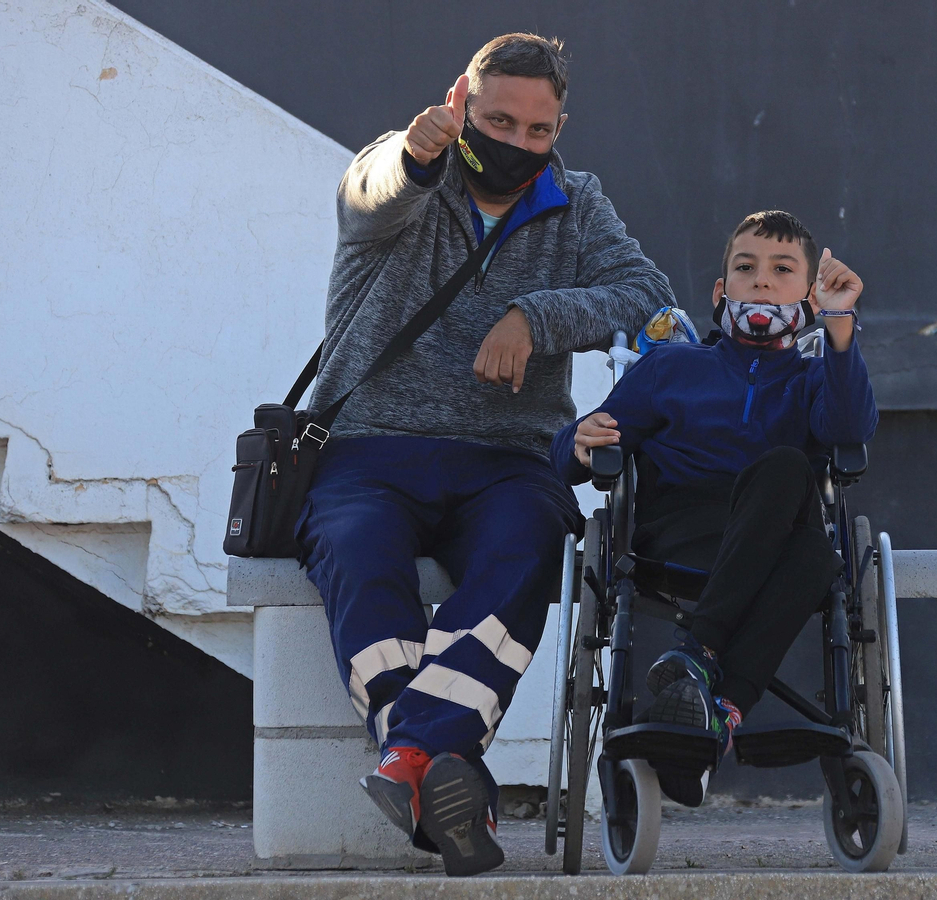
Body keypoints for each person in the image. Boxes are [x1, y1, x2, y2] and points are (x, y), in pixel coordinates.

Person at [299, 33, 672, 876]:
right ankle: (445, 766)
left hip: (507, 454)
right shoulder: (398, 172)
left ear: (559, 127)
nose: (515, 143)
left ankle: (410, 760)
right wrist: (415, 152)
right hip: (371, 446)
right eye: (497, 119)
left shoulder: (579, 202)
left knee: (529, 542)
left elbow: (649, 299)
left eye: (537, 131)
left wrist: (536, 317)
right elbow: (374, 193)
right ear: (460, 101)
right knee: (358, 553)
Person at [551, 210, 878, 806]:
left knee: (798, 507)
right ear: (719, 292)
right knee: (810, 550)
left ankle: (703, 685)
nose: (761, 281)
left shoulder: (812, 379)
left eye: (782, 270)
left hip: (777, 529)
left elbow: (852, 429)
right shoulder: (670, 367)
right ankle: (712, 687)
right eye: (745, 268)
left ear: (808, 294)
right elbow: (580, 453)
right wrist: (576, 440)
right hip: (681, 533)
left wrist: (840, 330)